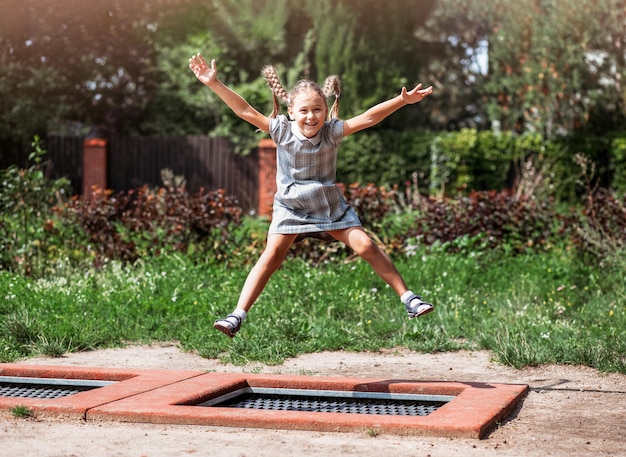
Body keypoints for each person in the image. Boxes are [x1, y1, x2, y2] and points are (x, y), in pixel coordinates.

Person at [189, 53, 435, 338]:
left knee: (366, 245)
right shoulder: (281, 130)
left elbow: (368, 117)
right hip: (291, 207)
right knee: (270, 257)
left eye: (317, 109)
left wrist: (402, 101)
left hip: (328, 205)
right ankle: (236, 315)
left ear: (326, 109)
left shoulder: (331, 132)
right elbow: (244, 110)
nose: (311, 116)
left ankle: (409, 299)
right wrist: (214, 83)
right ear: (291, 111)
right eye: (304, 110)